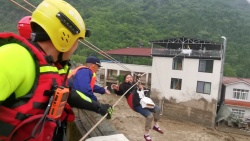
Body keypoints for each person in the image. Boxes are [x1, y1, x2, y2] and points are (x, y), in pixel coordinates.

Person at [0, 0, 113, 141]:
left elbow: (69, 94)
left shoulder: (51, 66)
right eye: (77, 40)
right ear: (64, 36)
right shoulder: (14, 56)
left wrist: (99, 107)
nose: (76, 46)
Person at [111, 74, 163, 141]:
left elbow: (140, 91)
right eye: (127, 78)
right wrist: (116, 89)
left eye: (130, 77)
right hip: (135, 104)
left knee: (157, 109)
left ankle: (156, 126)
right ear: (125, 80)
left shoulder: (135, 84)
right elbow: (120, 92)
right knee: (150, 116)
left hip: (143, 102)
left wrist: (141, 88)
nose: (129, 78)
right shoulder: (124, 86)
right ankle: (146, 134)